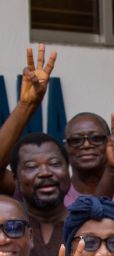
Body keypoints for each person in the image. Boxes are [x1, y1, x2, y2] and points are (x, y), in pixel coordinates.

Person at [10, 133, 71, 256]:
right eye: (31, 167)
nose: (45, 172)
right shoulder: (6, 229)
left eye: (55, 164)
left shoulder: (86, 224)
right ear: (15, 179)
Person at [0, 45, 57, 198]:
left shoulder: (60, 189)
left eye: (54, 163)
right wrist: (26, 105)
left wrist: (27, 105)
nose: (45, 172)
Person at [62, 111, 114, 205]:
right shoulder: (54, 201)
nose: (86, 145)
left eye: (96, 138)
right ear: (65, 147)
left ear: (111, 143)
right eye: (76, 140)